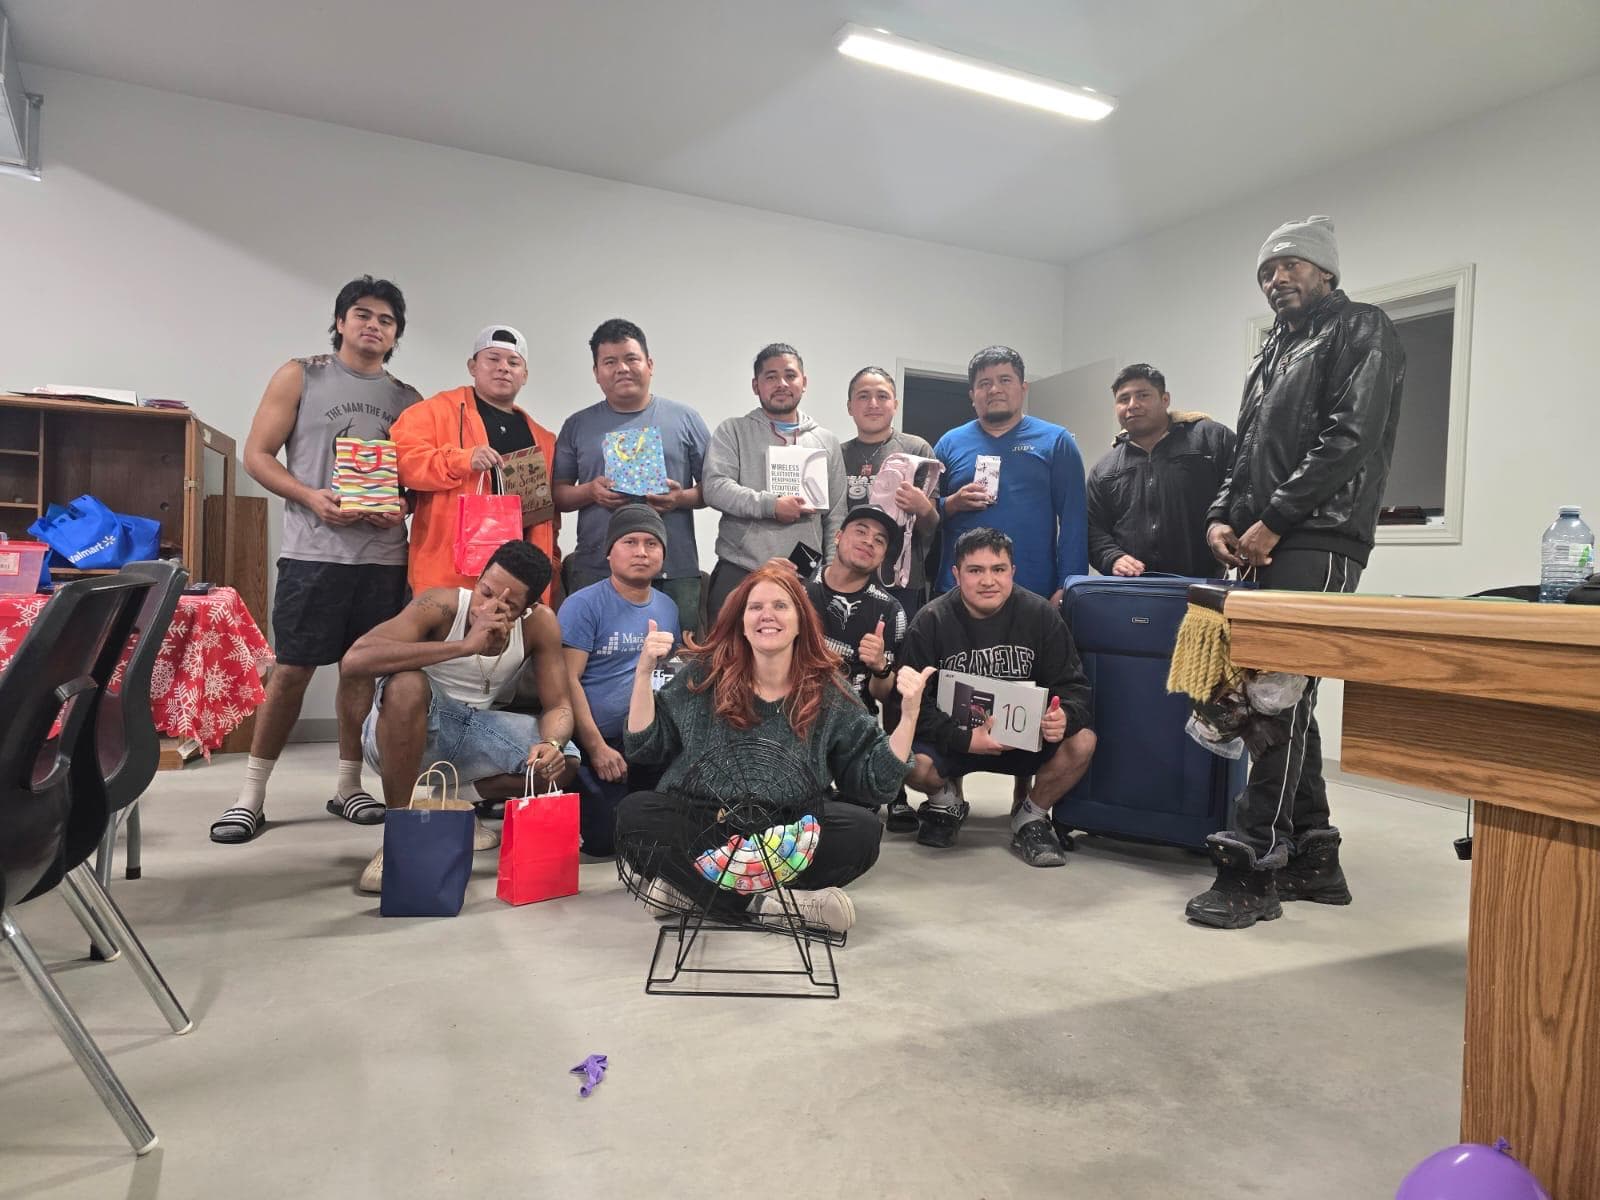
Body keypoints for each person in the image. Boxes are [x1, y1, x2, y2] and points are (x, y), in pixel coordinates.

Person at [1186, 215, 1405, 930]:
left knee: (1273, 701)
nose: (1277, 279)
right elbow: (1245, 451)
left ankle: (1254, 863)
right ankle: (1315, 856)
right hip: (1262, 540)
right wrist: (1221, 516)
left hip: (1320, 537)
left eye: (1291, 266)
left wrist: (1274, 519)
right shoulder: (1273, 352)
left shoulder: (1361, 329)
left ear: (1326, 272)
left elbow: (1351, 435)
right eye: (1266, 271)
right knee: (1286, 698)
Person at [209, 275, 420, 845]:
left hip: (382, 558)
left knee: (361, 671)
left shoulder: (408, 398)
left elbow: (416, 484)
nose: (372, 326)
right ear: (340, 322)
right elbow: (256, 454)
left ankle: (349, 785)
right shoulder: (301, 373)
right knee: (293, 671)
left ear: (396, 334)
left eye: (385, 320)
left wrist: (398, 507)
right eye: (362, 315)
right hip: (313, 552)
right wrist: (310, 496)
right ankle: (250, 795)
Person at [613, 566, 933, 935]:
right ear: (742, 622)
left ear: (801, 621)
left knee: (861, 830)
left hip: (787, 833)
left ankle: (694, 891)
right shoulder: (704, 675)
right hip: (703, 822)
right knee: (634, 815)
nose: (767, 615)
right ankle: (770, 905)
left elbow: (874, 781)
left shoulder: (828, 688)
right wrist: (642, 675)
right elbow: (646, 745)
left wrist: (908, 716)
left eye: (781, 606)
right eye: (755, 607)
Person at [341, 541, 577, 893]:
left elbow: (559, 704)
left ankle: (453, 800)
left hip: (474, 730)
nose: (488, 607)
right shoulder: (442, 605)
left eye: (508, 605)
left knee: (565, 761)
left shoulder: (540, 624)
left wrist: (551, 743)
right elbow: (354, 660)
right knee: (407, 685)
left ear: (528, 610)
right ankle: (400, 835)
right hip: (411, 729)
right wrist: (465, 647)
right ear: (478, 579)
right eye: (486, 592)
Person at [900, 528, 1097, 867]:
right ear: (957, 574)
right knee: (905, 760)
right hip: (957, 742)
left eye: (998, 569)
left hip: (1025, 742)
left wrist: (1064, 715)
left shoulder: (1042, 616)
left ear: (1012, 572)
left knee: (1083, 741)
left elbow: (1074, 687)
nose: (988, 580)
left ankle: (1032, 816)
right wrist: (964, 739)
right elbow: (915, 706)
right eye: (975, 570)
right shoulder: (930, 621)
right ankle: (946, 803)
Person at [552, 318, 710, 634]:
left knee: (677, 665)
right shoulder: (578, 425)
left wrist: (679, 498)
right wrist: (590, 492)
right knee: (590, 660)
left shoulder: (685, 419)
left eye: (631, 358)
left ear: (649, 365)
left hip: (674, 569)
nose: (622, 368)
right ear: (597, 373)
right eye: (610, 362)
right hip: (596, 566)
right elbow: (558, 494)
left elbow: (714, 489)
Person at [391, 324, 560, 605]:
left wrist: (550, 564)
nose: (503, 368)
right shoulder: (435, 411)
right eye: (492, 359)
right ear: (473, 366)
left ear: (525, 375)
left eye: (513, 362)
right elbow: (401, 459)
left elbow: (546, 514)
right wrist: (462, 459)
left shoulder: (544, 439)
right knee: (442, 649)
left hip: (518, 584)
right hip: (445, 579)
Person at [559, 505, 681, 855]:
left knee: (663, 826)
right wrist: (597, 748)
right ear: (610, 551)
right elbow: (568, 681)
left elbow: (666, 677)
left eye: (651, 544)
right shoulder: (582, 605)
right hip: (597, 739)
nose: (641, 552)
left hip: (648, 739)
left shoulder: (668, 608)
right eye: (630, 541)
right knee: (603, 841)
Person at [702, 343, 847, 622]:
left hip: (804, 573)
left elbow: (836, 515)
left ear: (804, 383)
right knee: (728, 660)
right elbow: (715, 487)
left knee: (796, 661)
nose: (782, 384)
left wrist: (830, 575)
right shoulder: (733, 430)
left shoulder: (826, 441)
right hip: (741, 567)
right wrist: (771, 505)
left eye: (790, 376)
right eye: (771, 377)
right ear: (756, 386)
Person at [934, 346, 1087, 601]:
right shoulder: (949, 443)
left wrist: (1069, 586)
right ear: (972, 395)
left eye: (1005, 380)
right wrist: (951, 504)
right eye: (984, 383)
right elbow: (925, 515)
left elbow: (1074, 521)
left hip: (1035, 591)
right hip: (959, 591)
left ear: (1023, 388)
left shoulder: (1056, 441)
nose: (994, 389)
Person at [801, 504, 916, 831]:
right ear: (838, 537)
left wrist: (880, 666)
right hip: (794, 716)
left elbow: (883, 694)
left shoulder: (889, 611)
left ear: (882, 556)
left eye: (879, 541)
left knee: (859, 815)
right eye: (861, 531)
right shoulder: (798, 591)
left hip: (852, 723)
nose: (869, 542)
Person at [1086, 363, 1236, 579]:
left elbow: (1241, 481)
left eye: (1143, 395)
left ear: (1165, 399)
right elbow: (1092, 528)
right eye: (1123, 399)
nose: (1132, 405)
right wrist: (1112, 557)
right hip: (1133, 590)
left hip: (1203, 588)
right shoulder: (1105, 469)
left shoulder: (1209, 439)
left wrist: (1220, 521)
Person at [839, 366, 940, 617]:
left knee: (895, 653)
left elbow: (932, 525)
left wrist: (922, 507)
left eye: (882, 396)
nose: (873, 403)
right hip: (844, 575)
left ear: (894, 404)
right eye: (863, 396)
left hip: (899, 581)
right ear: (850, 406)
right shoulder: (837, 454)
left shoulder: (916, 449)